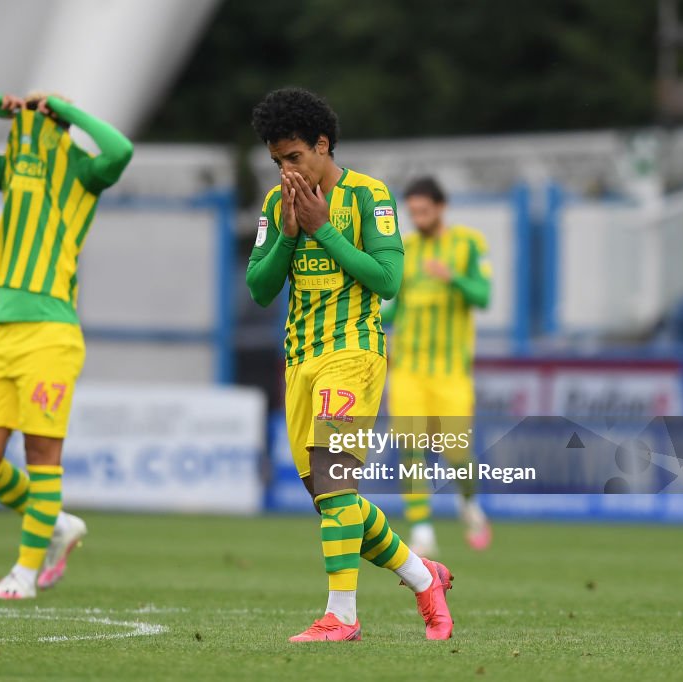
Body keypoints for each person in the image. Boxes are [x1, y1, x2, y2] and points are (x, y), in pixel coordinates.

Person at [246, 87, 454, 642]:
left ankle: (341, 615)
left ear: (322, 145)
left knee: (336, 485)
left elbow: (388, 281)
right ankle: (421, 575)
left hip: (353, 355)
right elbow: (260, 289)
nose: (286, 171)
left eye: (293, 158)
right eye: (277, 162)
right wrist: (290, 233)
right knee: (333, 502)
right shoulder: (276, 205)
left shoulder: (369, 195)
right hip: (301, 362)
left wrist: (324, 228)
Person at [0, 91, 133, 599]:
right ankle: (57, 523)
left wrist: (65, 110)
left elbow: (121, 150)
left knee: (41, 453)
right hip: (3, 335)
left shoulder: (83, 173)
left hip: (50, 335)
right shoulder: (9, 174)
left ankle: (24, 574)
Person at [382, 176, 493, 557]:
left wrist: (454, 278)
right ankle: (422, 528)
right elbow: (395, 305)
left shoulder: (468, 244)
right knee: (411, 447)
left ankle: (469, 503)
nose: (417, 218)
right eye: (412, 212)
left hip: (450, 372)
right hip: (408, 369)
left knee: (456, 451)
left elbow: (484, 296)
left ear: (441, 208)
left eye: (424, 211)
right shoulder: (405, 249)